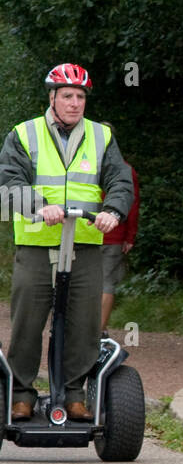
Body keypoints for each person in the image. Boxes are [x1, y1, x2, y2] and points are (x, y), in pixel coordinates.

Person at [0, 64, 133, 420]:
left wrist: (114, 212)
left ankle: (75, 393)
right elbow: (9, 184)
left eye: (80, 97)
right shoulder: (24, 134)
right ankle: (21, 393)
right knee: (28, 319)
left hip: (85, 243)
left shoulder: (101, 136)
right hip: (37, 244)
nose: (75, 103)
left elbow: (120, 180)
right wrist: (40, 207)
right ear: (52, 98)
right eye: (67, 96)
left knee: (84, 322)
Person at [101, 156, 139, 329]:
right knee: (106, 283)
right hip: (113, 233)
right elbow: (132, 203)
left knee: (79, 284)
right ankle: (99, 333)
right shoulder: (125, 169)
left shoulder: (77, 164)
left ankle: (82, 333)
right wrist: (129, 236)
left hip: (81, 234)